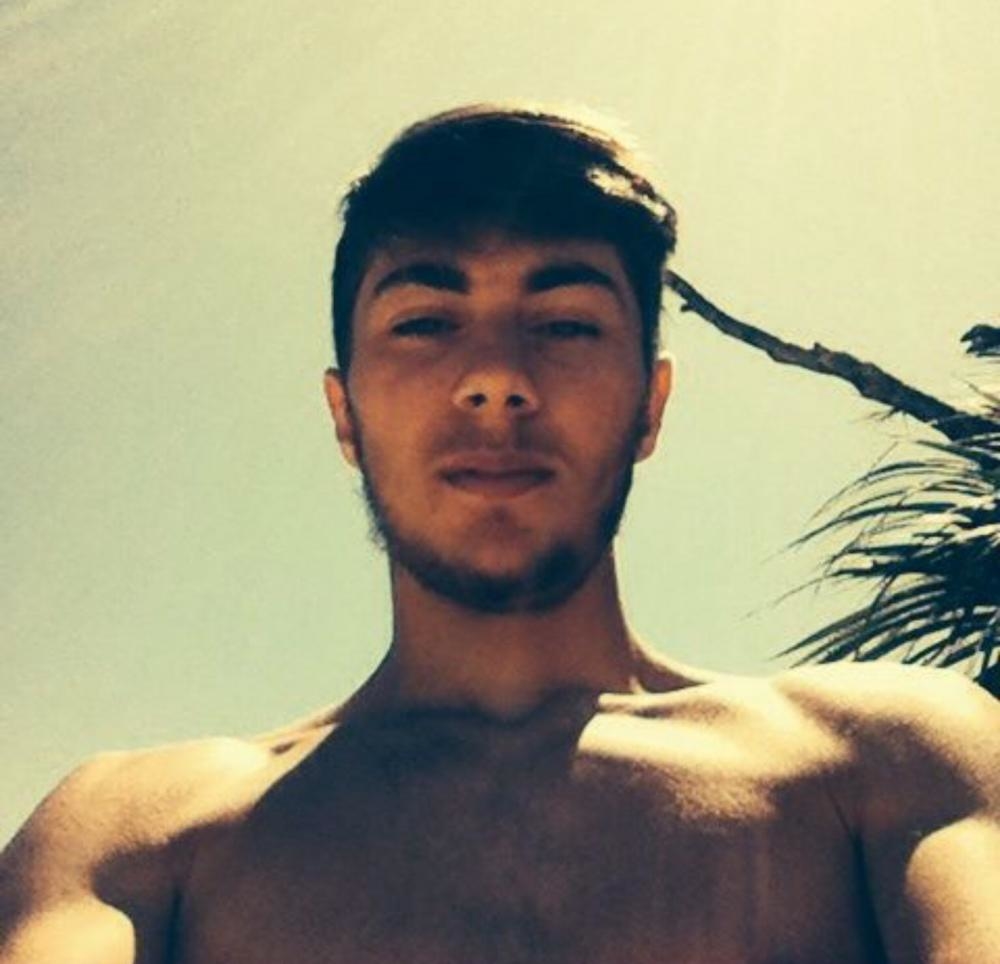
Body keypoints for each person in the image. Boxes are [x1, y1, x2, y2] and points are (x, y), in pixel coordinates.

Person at [1, 104, 997, 964]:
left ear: (649, 407)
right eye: (425, 322)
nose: (496, 378)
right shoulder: (139, 829)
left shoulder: (890, 759)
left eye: (564, 323)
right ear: (345, 415)